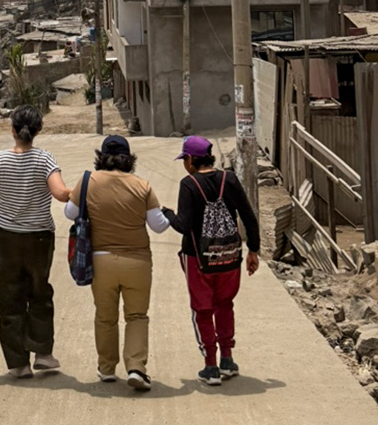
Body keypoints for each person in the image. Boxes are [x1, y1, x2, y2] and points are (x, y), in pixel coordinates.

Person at [64, 135, 170, 391]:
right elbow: (158, 226)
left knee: (105, 316)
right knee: (136, 315)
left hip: (101, 262)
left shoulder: (88, 181)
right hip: (137, 262)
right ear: (128, 158)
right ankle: (136, 367)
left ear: (101, 156)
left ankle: (107, 368)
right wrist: (167, 214)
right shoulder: (142, 186)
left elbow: (70, 213)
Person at [162, 136, 260, 386]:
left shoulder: (189, 184)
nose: (185, 163)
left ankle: (210, 365)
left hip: (199, 259)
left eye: (185, 159)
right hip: (229, 258)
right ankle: (227, 359)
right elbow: (249, 216)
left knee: (202, 310)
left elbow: (184, 226)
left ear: (192, 160)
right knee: (224, 304)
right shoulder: (230, 179)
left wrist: (168, 214)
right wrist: (253, 251)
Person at [0, 105, 70, 378]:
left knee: (9, 298)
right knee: (40, 292)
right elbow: (61, 194)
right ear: (38, 131)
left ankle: (18, 363)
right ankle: (43, 353)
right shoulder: (45, 159)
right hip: (40, 238)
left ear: (12, 130)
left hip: (7, 238)